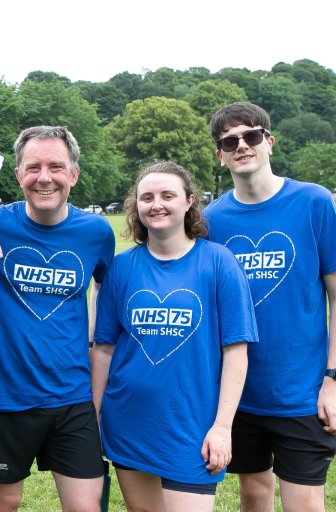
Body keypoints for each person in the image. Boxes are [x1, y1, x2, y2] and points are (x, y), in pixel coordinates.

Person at [0, 125, 115, 511]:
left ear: (73, 174)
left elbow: (104, 286)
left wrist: (92, 339)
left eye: (56, 167)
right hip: (5, 398)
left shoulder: (96, 232)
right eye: (33, 167)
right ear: (19, 174)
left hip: (73, 396)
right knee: (3, 503)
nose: (44, 177)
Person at [91, 161, 257, 511]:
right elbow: (104, 349)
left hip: (192, 427)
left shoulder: (218, 262)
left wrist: (223, 427)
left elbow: (236, 351)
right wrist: (94, 417)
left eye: (168, 195)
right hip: (128, 421)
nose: (157, 204)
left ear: (189, 202)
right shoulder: (122, 267)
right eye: (147, 197)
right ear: (136, 206)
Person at [205, 101, 336, 511]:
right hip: (239, 395)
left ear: (269, 141)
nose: (241, 145)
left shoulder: (314, 202)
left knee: (305, 503)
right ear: (220, 154)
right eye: (230, 140)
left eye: (251, 135)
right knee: (254, 494)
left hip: (303, 392)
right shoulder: (211, 220)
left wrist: (333, 378)